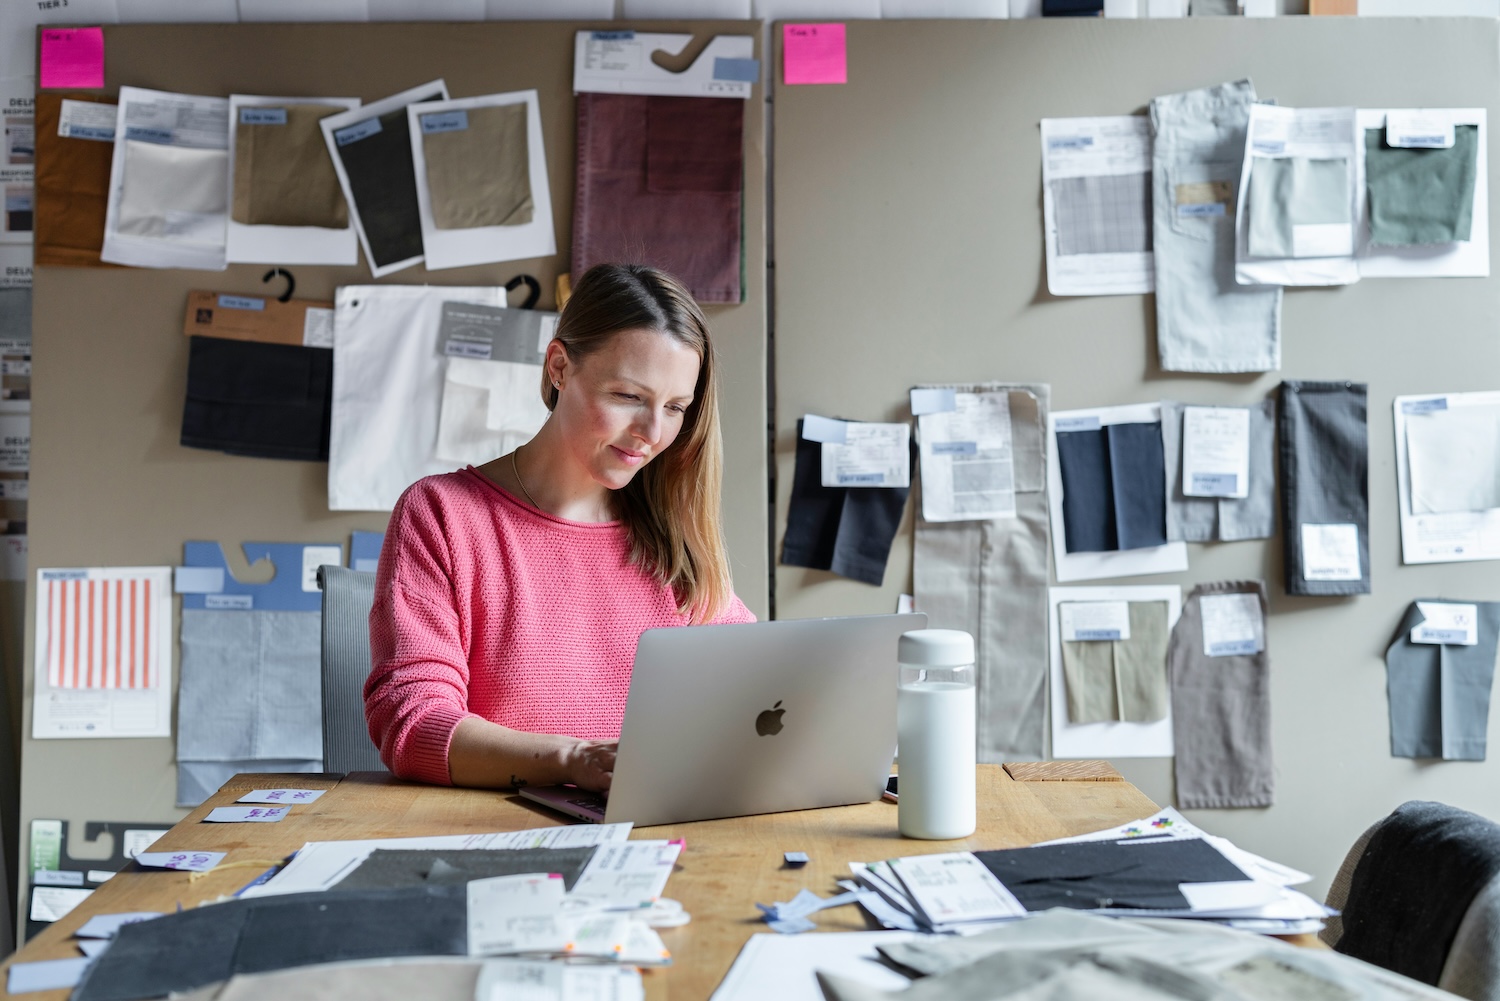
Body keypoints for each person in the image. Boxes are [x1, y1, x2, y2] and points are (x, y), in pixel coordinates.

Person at [364, 264, 755, 793]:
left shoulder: (671, 539)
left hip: (652, 837)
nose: (652, 433)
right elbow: (411, 725)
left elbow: (760, 689)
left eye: (675, 407)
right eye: (629, 397)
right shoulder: (442, 514)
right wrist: (574, 761)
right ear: (559, 367)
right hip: (497, 837)